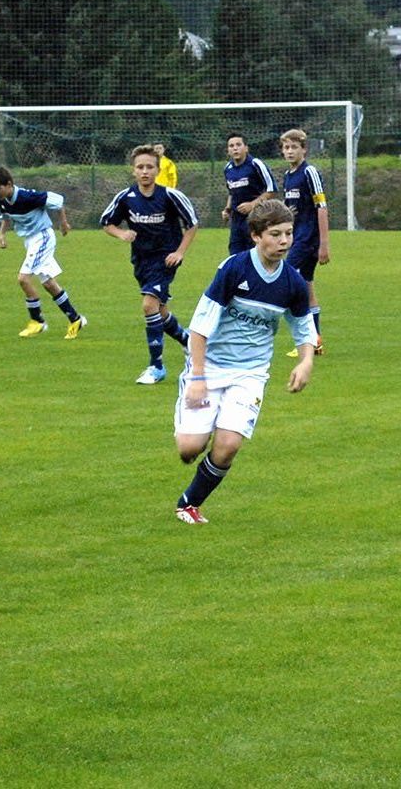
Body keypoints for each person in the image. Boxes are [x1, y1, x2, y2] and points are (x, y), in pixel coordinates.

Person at [172, 200, 316, 524]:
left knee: (228, 445)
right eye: (275, 234)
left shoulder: (292, 282)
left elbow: (305, 331)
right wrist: (197, 378)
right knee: (188, 448)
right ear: (255, 236)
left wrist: (306, 362)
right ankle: (201, 425)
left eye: (289, 234)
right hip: (208, 367)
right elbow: (199, 326)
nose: (284, 241)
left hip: (250, 373)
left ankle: (189, 503)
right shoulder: (234, 269)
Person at [100, 144, 199, 384]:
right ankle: (188, 342)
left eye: (149, 167)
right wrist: (121, 234)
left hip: (165, 259)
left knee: (148, 305)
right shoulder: (125, 197)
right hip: (141, 260)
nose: (145, 171)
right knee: (159, 310)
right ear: (133, 171)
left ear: (157, 170)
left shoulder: (170, 196)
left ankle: (157, 367)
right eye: (140, 167)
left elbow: (192, 224)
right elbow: (106, 222)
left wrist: (179, 252)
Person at [0, 165, 87, 339]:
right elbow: (6, 216)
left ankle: (37, 322)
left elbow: (58, 200)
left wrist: (63, 223)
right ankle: (75, 319)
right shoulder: (3, 200)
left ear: (9, 184)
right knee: (49, 283)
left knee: (23, 279)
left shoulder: (28, 197)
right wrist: (2, 234)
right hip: (30, 241)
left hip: (43, 238)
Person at [279, 128, 330, 357]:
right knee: (307, 286)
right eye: (286, 147)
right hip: (296, 238)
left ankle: (305, 339)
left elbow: (322, 207)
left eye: (293, 147)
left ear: (304, 149)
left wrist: (324, 244)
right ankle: (315, 341)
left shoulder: (309, 172)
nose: (289, 151)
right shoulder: (288, 176)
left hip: (308, 240)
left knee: (287, 281)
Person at [221, 132, 276, 255]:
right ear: (228, 150)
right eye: (231, 146)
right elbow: (231, 192)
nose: (235, 148)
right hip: (236, 221)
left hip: (255, 218)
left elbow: (272, 190)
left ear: (246, 148)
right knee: (235, 256)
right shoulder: (227, 168)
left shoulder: (256, 164)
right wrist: (227, 209)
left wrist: (252, 205)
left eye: (238, 145)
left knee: (255, 255)